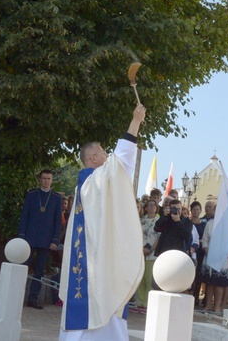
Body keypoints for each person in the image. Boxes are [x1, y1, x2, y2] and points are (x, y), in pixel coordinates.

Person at [59, 104, 145, 340]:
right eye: (104, 152)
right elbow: (123, 159)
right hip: (98, 262)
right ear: (93, 157)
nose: (108, 155)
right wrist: (135, 121)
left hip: (95, 258)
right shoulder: (95, 182)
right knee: (103, 299)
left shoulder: (85, 186)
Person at [18, 169, 63, 309]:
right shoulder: (31, 195)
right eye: (44, 178)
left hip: (46, 239)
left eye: (48, 179)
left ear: (52, 180)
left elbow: (57, 222)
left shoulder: (56, 198)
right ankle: (17, 296)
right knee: (23, 267)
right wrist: (21, 236)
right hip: (29, 237)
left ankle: (33, 299)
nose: (46, 181)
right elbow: (24, 216)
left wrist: (55, 240)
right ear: (40, 179)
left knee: (39, 271)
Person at [134, 199, 160, 313]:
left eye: (153, 205)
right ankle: (139, 303)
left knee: (149, 279)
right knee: (141, 278)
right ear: (145, 208)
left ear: (156, 207)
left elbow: (159, 238)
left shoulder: (159, 221)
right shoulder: (141, 220)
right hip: (140, 253)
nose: (151, 207)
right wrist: (141, 249)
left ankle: (147, 303)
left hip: (152, 253)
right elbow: (136, 235)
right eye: (149, 205)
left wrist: (150, 249)